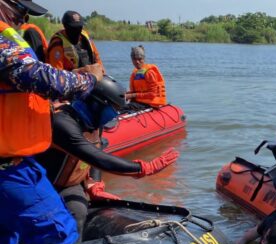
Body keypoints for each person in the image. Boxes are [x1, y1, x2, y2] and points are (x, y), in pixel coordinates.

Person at [1, 0, 104, 244]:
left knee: (6, 236)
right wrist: (88, 79)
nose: (22, 21)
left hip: (15, 160)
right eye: (19, 13)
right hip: (7, 169)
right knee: (60, 236)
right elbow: (40, 76)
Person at [34, 76, 180, 235]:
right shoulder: (62, 123)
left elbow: (98, 150)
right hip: (43, 184)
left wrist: (94, 185)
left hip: (69, 185)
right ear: (96, 104)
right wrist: (143, 168)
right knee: (56, 219)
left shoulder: (94, 124)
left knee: (78, 213)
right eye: (113, 109)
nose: (114, 115)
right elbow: (95, 157)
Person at [125, 45, 167, 110]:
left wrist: (133, 95)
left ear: (144, 59)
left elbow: (153, 94)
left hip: (150, 104)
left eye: (139, 59)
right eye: (134, 59)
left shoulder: (149, 73)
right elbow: (136, 91)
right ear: (131, 60)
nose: (137, 62)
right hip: (140, 102)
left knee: (123, 108)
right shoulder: (135, 73)